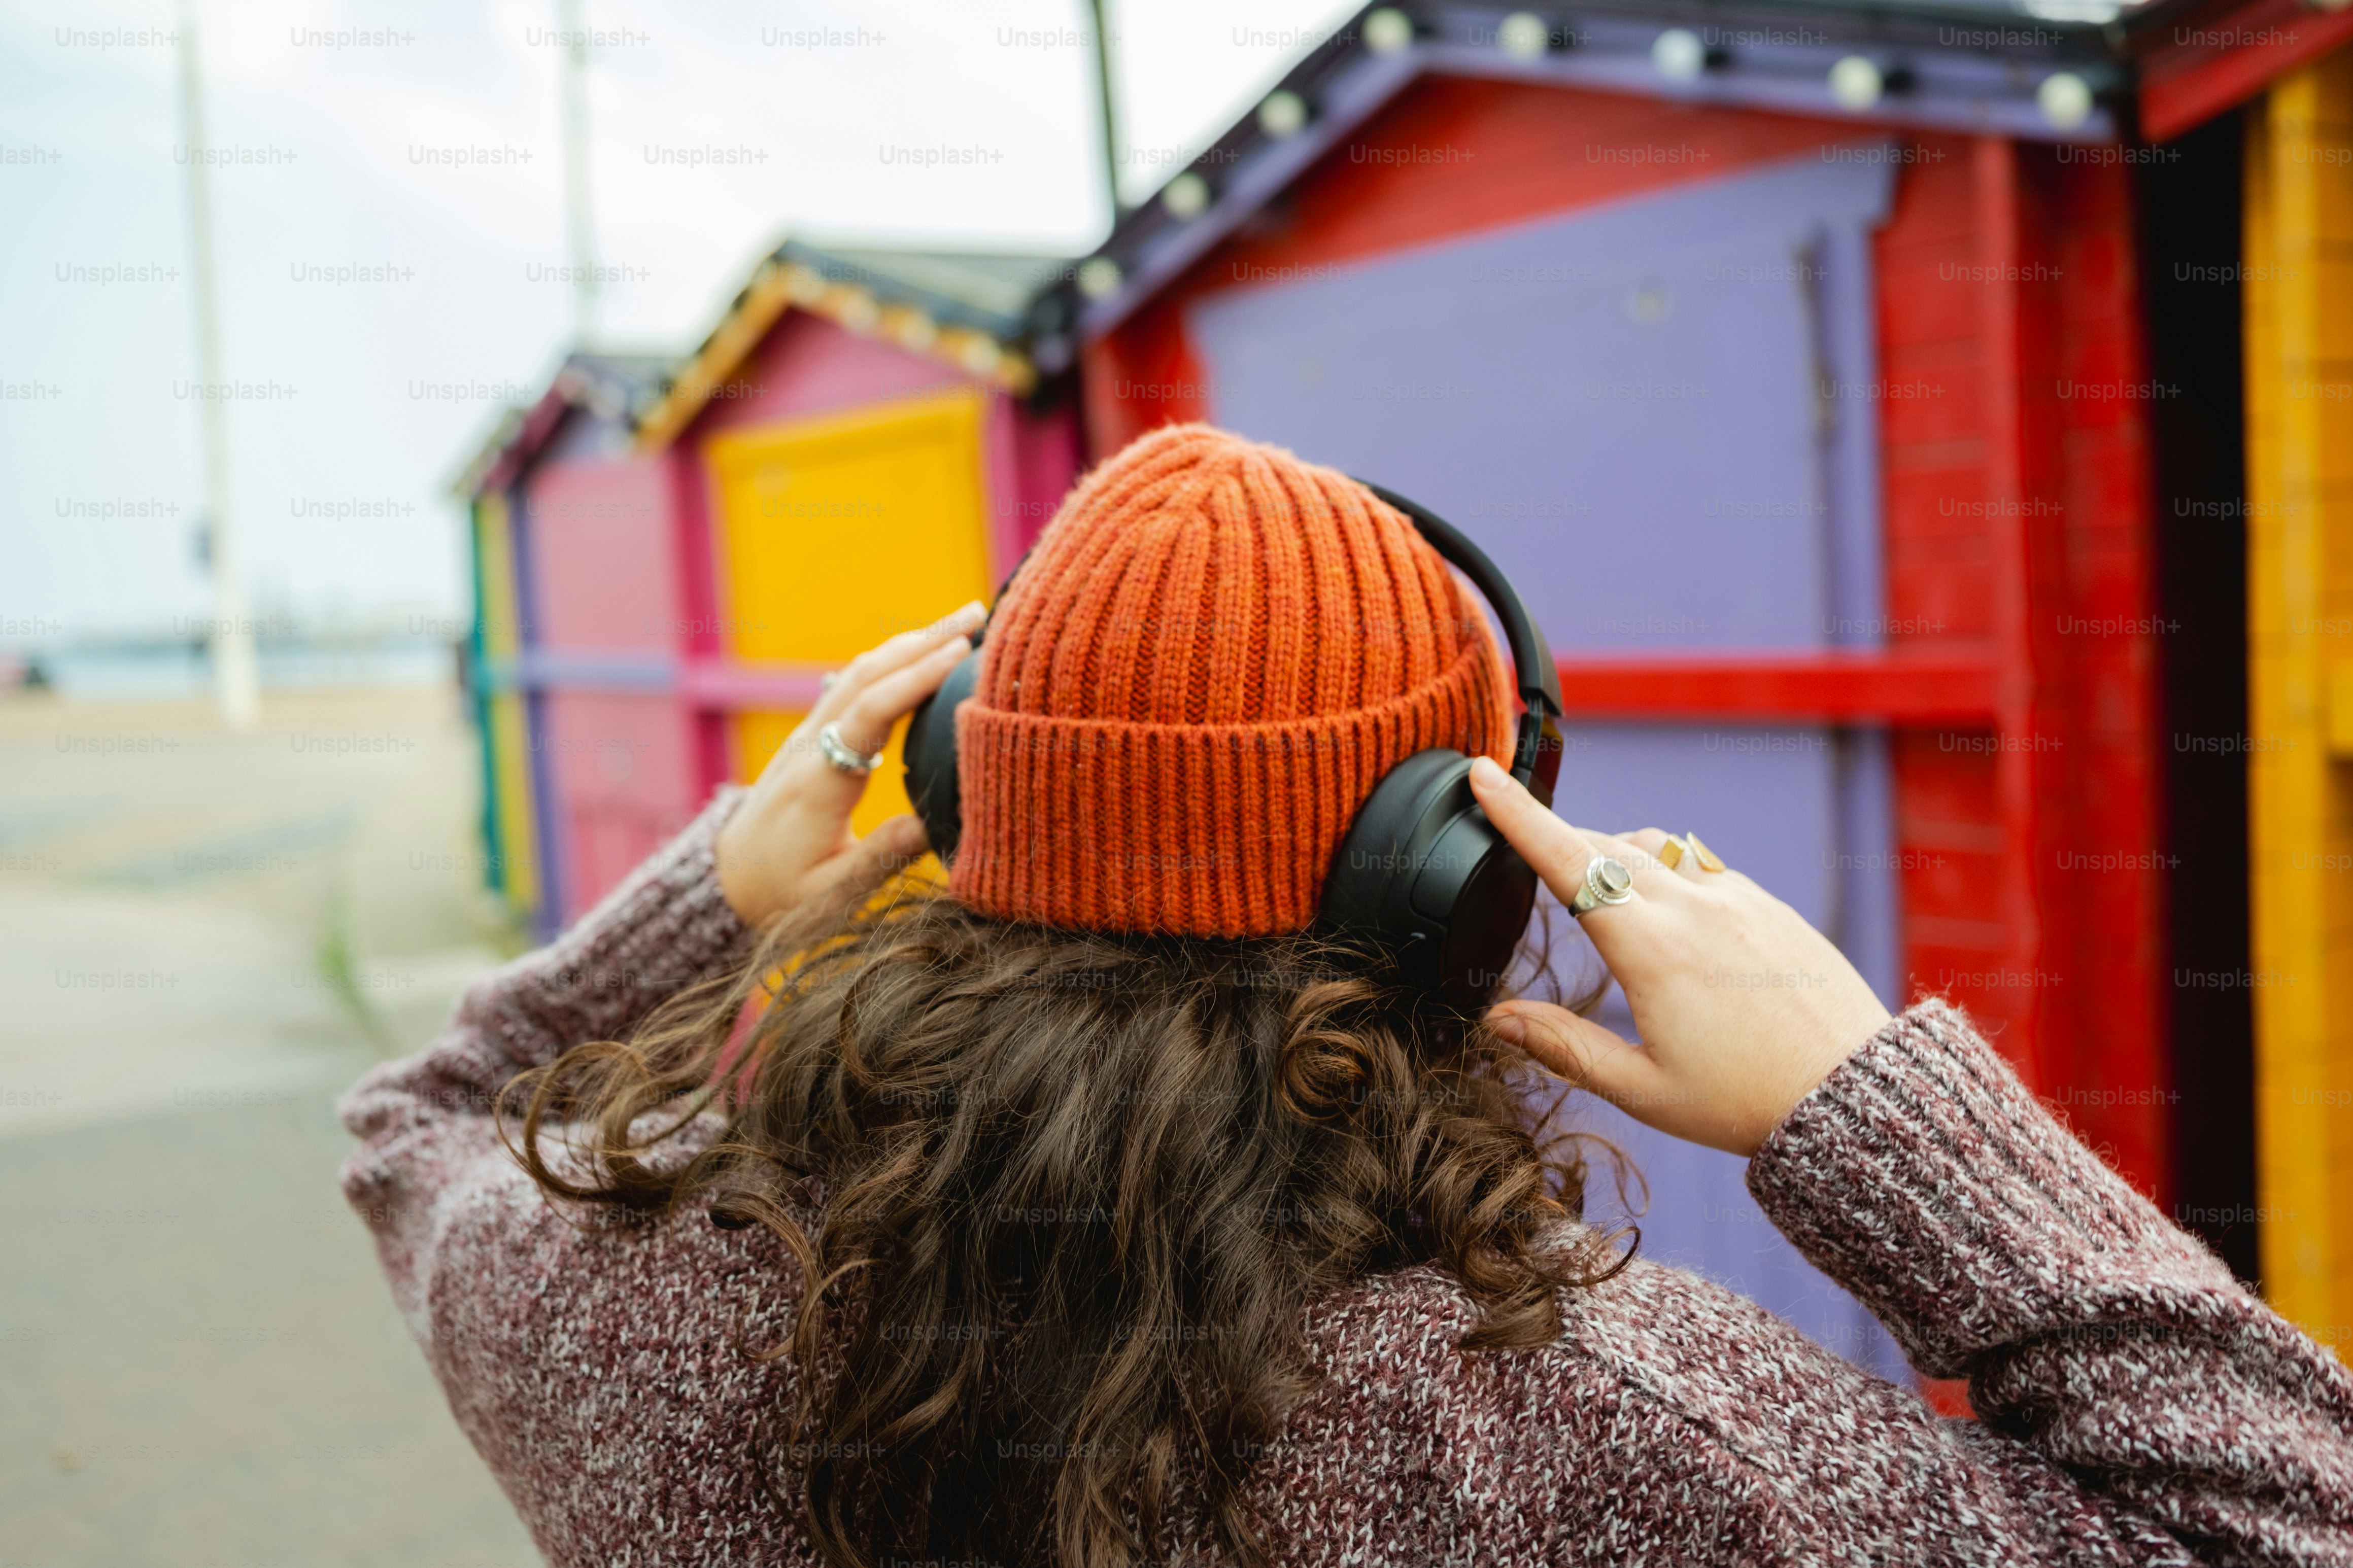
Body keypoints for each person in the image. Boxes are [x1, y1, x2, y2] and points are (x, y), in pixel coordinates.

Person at [342, 425, 2353, 1567]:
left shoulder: (590, 1284)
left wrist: (724, 889)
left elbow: (416, 1117)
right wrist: (1862, 1106)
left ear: (961, 785)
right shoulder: (1588, 1423)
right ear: (1454, 873)